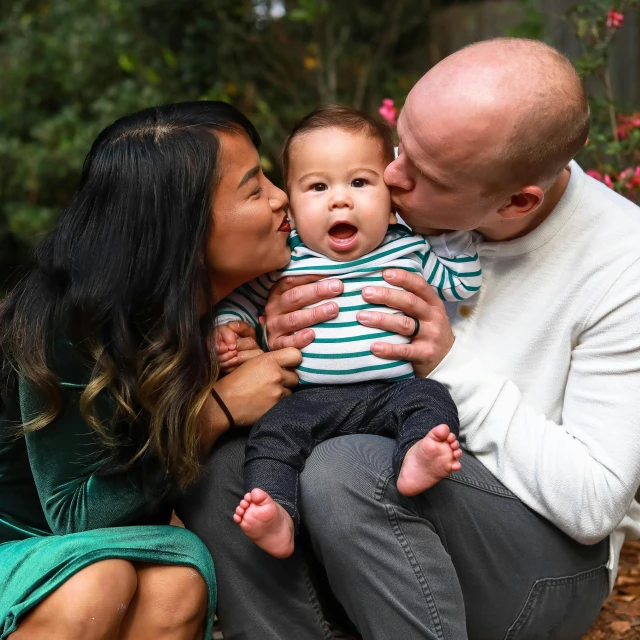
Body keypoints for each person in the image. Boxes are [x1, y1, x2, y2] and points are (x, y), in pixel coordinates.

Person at [179, 38, 640, 639]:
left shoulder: (622, 264)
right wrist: (275, 340)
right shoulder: (382, 206)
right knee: (226, 471)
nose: (391, 179)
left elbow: (592, 504)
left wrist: (446, 360)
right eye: (401, 147)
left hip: (537, 567)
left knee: (347, 466)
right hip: (363, 537)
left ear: (516, 199)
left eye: (424, 175)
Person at [0, 101, 301, 640]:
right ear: (182, 230)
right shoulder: (70, 323)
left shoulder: (240, 304)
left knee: (178, 584)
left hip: (106, 557)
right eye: (255, 189)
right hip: (29, 546)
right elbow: (72, 518)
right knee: (99, 579)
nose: (282, 197)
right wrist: (216, 411)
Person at [215, 104, 482, 558]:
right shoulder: (288, 259)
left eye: (360, 182)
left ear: (390, 194)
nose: (340, 199)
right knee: (271, 437)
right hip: (309, 398)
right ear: (292, 206)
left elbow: (462, 281)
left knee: (433, 400)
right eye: (317, 187)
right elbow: (242, 296)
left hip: (391, 390)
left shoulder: (407, 247)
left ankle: (416, 454)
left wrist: (443, 230)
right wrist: (230, 325)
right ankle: (275, 510)